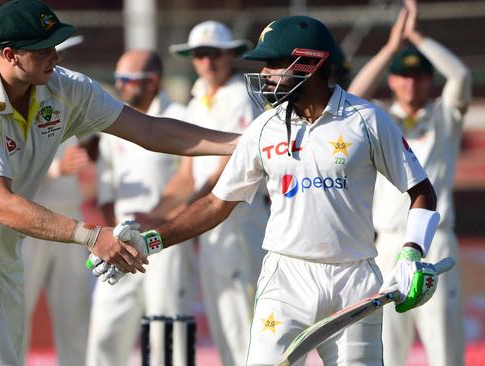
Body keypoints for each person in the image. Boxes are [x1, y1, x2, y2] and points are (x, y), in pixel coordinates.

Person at [0, 1, 240, 365]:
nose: (55, 57)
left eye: (56, 46)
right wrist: (93, 236)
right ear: (10, 55)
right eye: (44, 50)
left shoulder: (67, 89)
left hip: (5, 258)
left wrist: (240, 144)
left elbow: (149, 129)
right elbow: (0, 204)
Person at [105, 15, 445, 365]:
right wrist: (149, 241)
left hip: (354, 281)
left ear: (311, 64)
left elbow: (421, 191)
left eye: (275, 64)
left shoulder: (367, 120)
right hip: (286, 280)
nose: (265, 74)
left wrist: (412, 253)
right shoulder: (264, 128)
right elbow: (214, 204)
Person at [348, 1, 471, 364]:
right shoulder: (382, 119)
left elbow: (462, 76)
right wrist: (390, 47)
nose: (410, 82)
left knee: (445, 347)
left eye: (418, 76)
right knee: (388, 348)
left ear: (429, 81)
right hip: (387, 245)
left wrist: (418, 35)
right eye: (403, 75)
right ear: (392, 79)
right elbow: (355, 91)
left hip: (434, 242)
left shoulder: (444, 117)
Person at [152, 20, 270, 366]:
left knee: (244, 321)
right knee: (223, 321)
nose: (207, 62)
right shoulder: (195, 100)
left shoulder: (241, 96)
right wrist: (153, 216)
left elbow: (230, 167)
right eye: (200, 55)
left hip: (239, 225)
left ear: (230, 55)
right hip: (210, 226)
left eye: (214, 54)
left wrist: (187, 212)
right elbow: (186, 173)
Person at [86, 50, 193, 366]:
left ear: (153, 81)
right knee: (105, 330)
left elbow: (190, 182)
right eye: (117, 78)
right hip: (120, 243)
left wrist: (157, 219)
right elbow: (106, 195)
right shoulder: (112, 122)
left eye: (127, 80)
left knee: (166, 329)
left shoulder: (180, 116)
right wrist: (113, 238)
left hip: (166, 241)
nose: (119, 86)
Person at [19, 34, 93, 366]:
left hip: (71, 222)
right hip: (31, 221)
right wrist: (54, 170)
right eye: (51, 54)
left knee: (74, 315)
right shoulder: (18, 98)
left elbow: (94, 148)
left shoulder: (73, 96)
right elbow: (11, 164)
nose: (58, 63)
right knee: (18, 311)